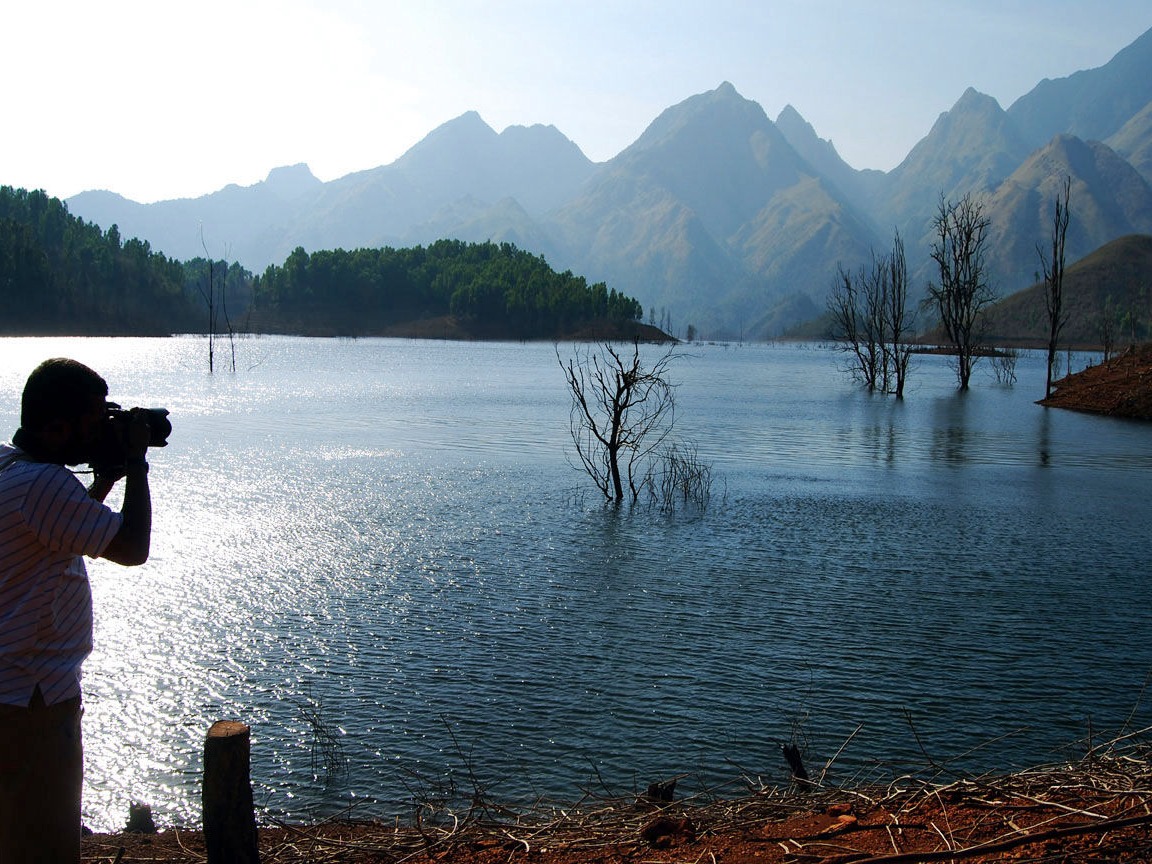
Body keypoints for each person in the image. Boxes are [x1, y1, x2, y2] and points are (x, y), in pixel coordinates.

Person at [0, 358, 154, 864]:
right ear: (56, 426)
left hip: (15, 692)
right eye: (93, 420)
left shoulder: (11, 468)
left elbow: (57, 534)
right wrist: (136, 466)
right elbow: (131, 547)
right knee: (46, 846)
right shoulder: (44, 485)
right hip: (33, 703)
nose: (101, 429)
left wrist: (103, 481)